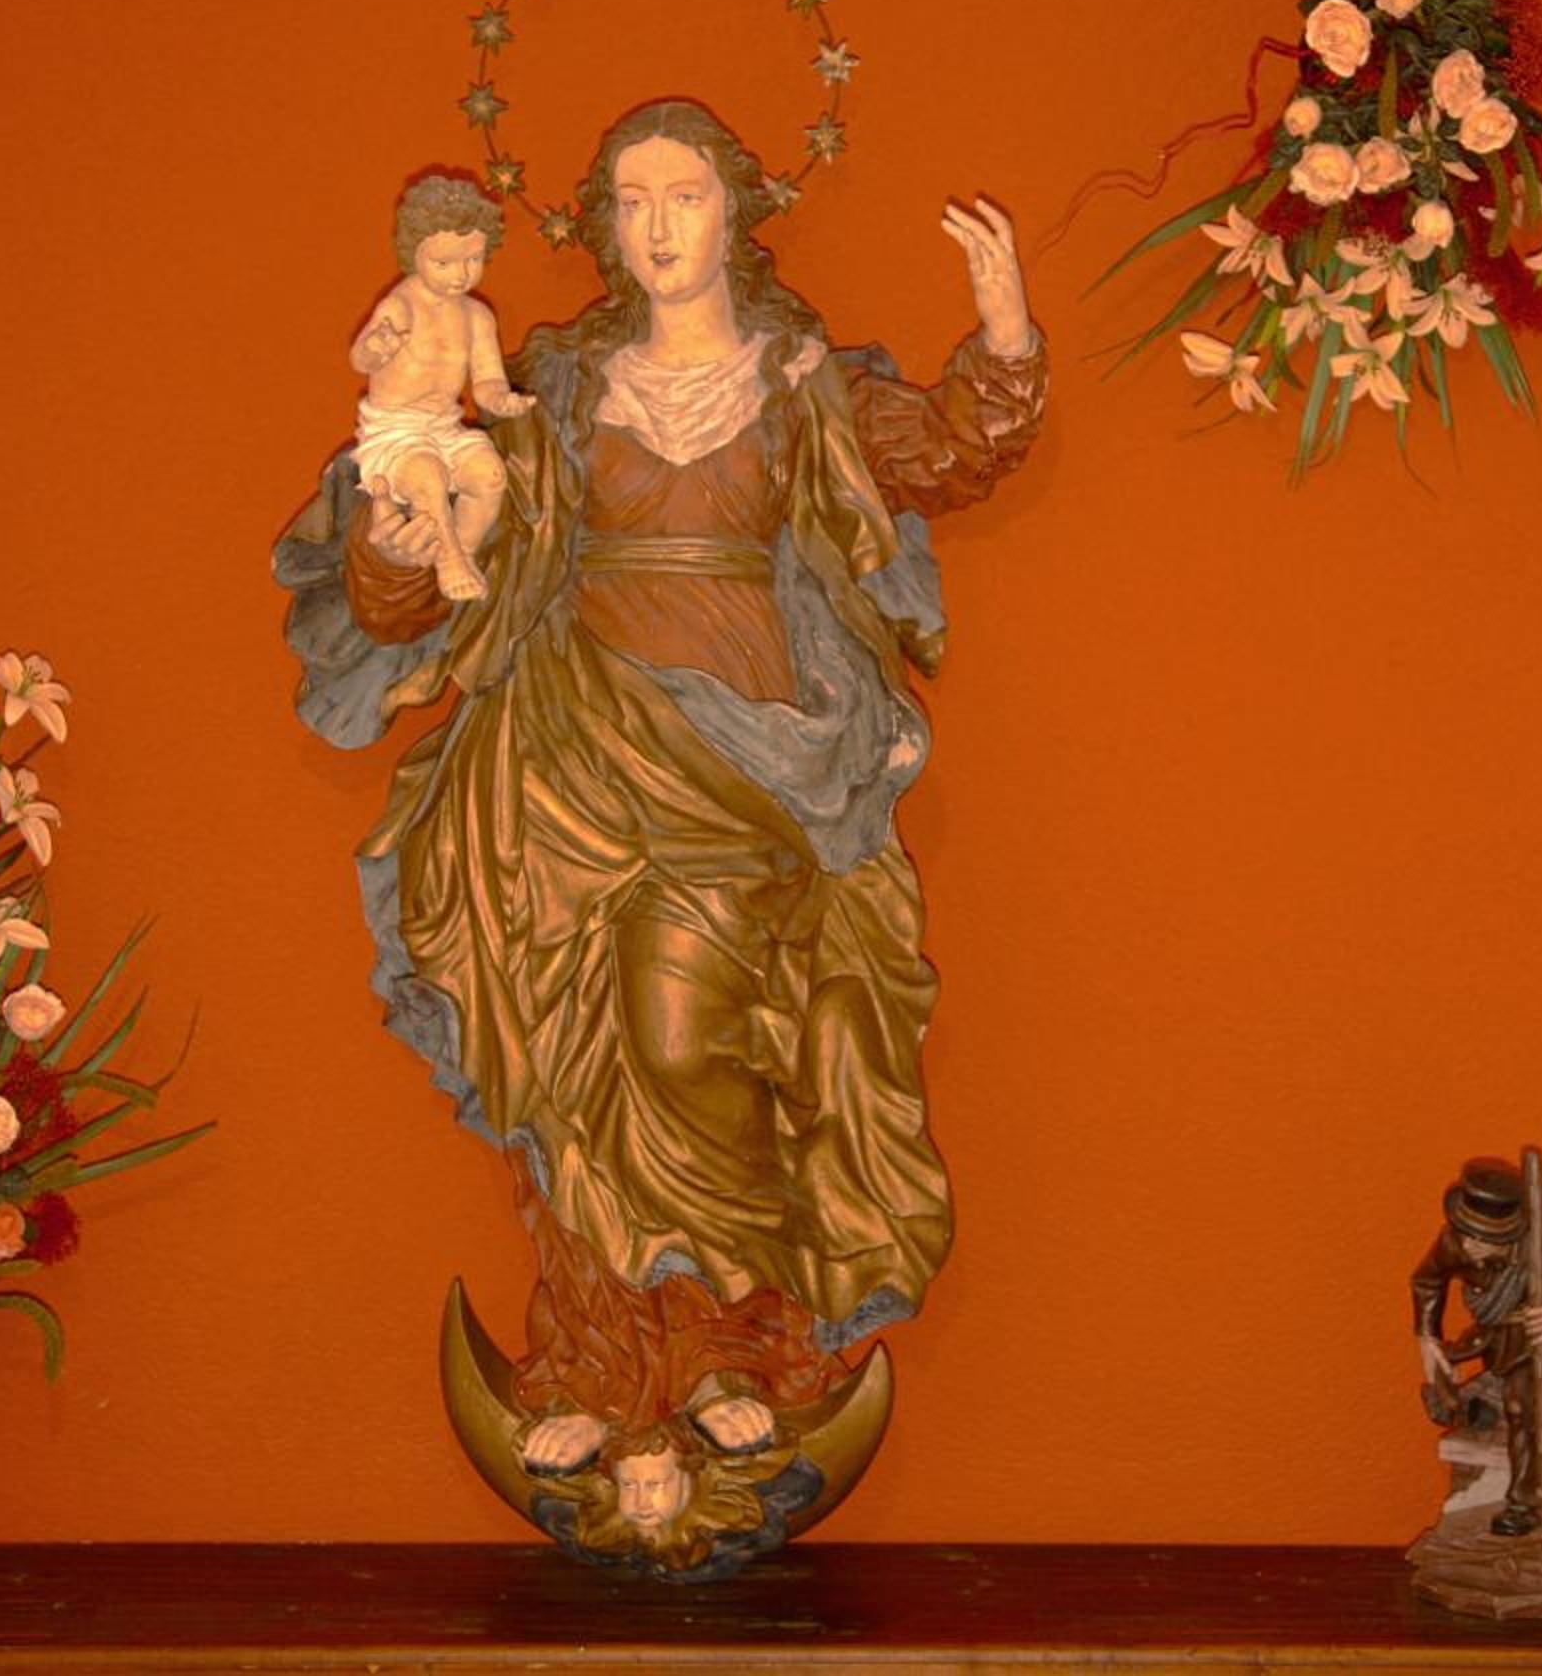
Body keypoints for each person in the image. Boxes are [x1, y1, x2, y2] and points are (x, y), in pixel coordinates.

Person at [276, 96, 1045, 1488]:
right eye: (630, 201)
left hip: (746, 758)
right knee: (574, 1065)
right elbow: (437, 557)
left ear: (736, 209)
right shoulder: (560, 384)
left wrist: (1002, 339)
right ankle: (600, 1360)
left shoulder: (800, 378)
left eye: (683, 193)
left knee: (693, 1046)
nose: (657, 225)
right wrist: (396, 534)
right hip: (566, 754)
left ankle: (734, 1346)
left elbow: (943, 450)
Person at [347, 170, 535, 602]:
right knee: (427, 477)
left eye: (473, 260)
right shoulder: (400, 306)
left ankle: (462, 550)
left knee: (489, 476)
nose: (459, 275)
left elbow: (486, 380)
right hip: (395, 433)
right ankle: (448, 558)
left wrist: (501, 400)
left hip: (445, 430)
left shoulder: (477, 317)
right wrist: (375, 348)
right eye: (443, 263)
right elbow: (359, 359)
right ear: (413, 253)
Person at [1410, 1157, 1542, 1537]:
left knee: (1522, 1405)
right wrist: (1427, 1338)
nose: (1467, 1244)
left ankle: (1522, 1500)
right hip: (1491, 1334)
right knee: (1448, 1385)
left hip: (1533, 1337)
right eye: (1464, 1232)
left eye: (1480, 1237)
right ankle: (1475, 1408)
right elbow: (1427, 1281)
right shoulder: (1455, 1242)